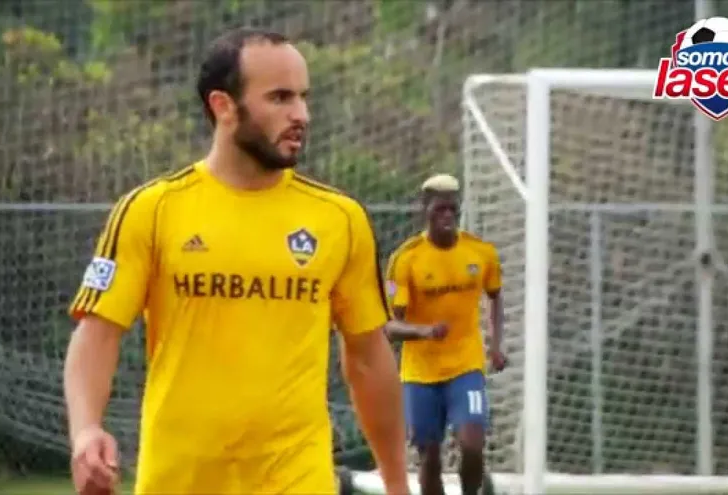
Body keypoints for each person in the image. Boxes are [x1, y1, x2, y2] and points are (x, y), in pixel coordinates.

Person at [63, 28, 410, 495]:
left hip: (297, 479)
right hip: (179, 481)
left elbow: (368, 360)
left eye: (303, 97)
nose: (301, 115)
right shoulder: (152, 210)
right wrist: (86, 429)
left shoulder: (340, 220)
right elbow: (97, 335)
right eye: (280, 98)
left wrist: (397, 483)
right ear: (223, 106)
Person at [384, 174, 507, 495]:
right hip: (420, 374)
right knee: (430, 459)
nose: (448, 216)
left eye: (453, 209)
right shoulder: (406, 259)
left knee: (472, 444)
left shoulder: (480, 252)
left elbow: (495, 296)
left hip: (466, 367)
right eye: (440, 209)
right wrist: (424, 331)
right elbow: (389, 326)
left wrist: (496, 345)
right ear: (424, 208)